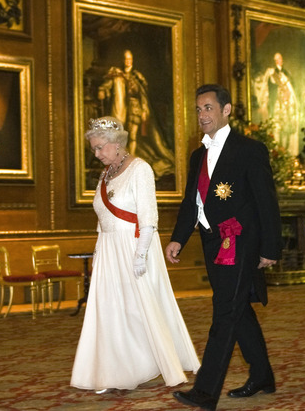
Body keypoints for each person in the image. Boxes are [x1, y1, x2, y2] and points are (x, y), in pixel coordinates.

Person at [166, 84, 282, 411]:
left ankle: (205, 392)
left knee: (226, 311)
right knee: (237, 308)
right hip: (210, 241)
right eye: (198, 109)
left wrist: (270, 247)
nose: (202, 115)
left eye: (208, 108)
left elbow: (266, 202)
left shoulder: (249, 150)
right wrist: (177, 238)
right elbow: (192, 202)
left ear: (226, 110)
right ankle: (262, 375)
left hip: (239, 242)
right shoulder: (197, 154)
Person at [71, 116, 200, 393]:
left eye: (100, 148)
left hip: (133, 247)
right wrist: (99, 249)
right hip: (109, 250)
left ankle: (147, 363)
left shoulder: (140, 169)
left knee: (138, 309)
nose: (96, 154)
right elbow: (102, 215)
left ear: (117, 144)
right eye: (93, 149)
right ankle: (113, 371)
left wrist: (141, 255)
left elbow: (148, 216)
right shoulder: (105, 175)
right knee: (110, 310)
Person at [96, 49, 175, 179]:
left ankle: (128, 164)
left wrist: (144, 110)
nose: (128, 61)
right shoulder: (117, 75)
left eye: (130, 59)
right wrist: (102, 91)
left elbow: (142, 96)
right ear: (123, 60)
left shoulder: (137, 77)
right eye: (126, 59)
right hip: (121, 111)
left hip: (134, 109)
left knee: (132, 136)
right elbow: (106, 85)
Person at [257, 52, 299, 155]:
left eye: (280, 58)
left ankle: (285, 150)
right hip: (277, 104)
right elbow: (269, 88)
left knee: (286, 128)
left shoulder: (286, 73)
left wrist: (288, 96)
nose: (278, 61)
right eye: (276, 59)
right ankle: (276, 150)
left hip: (287, 105)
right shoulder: (271, 73)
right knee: (277, 127)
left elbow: (290, 89)